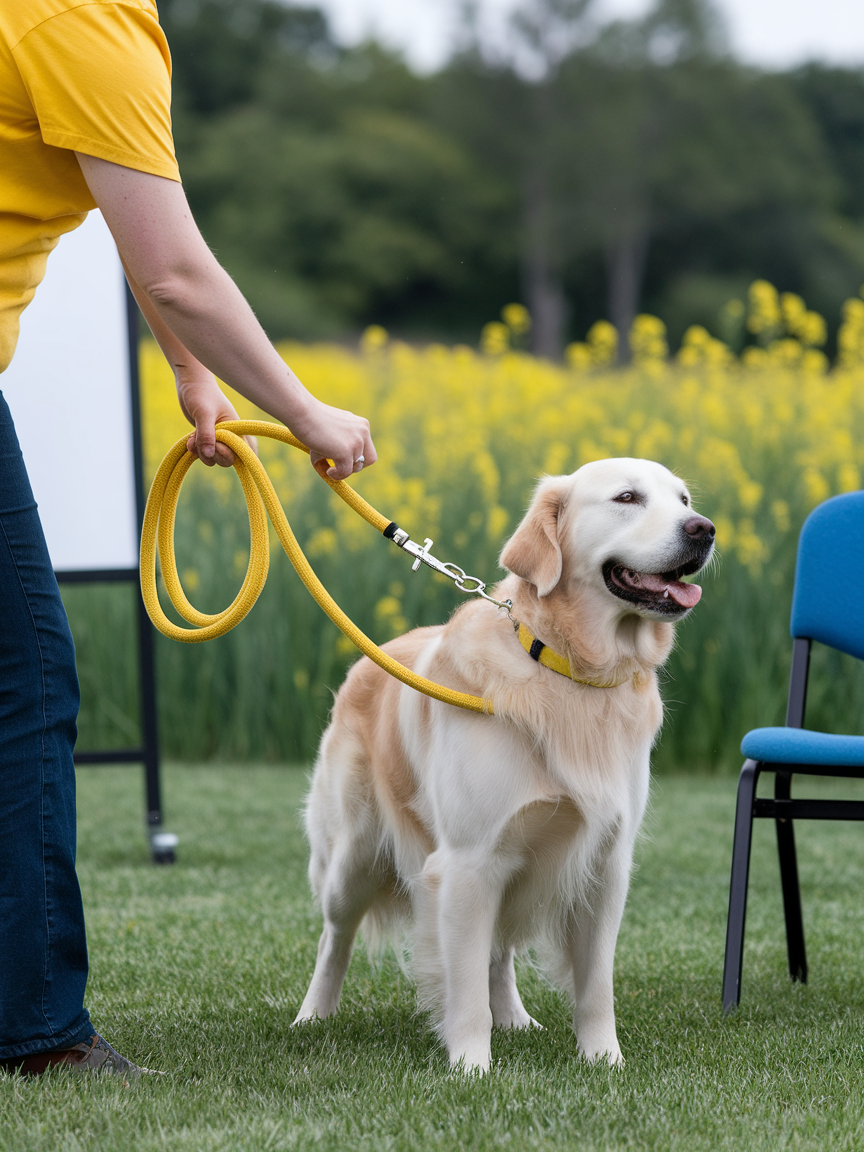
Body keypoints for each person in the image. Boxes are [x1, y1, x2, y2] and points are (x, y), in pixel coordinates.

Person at [0, 0, 376, 1078]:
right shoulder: (86, 17)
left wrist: (190, 368)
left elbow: (138, 233)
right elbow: (174, 266)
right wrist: (307, 414)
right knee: (25, 680)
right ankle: (36, 1031)